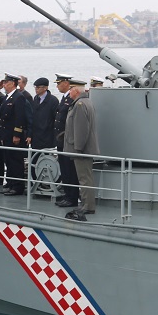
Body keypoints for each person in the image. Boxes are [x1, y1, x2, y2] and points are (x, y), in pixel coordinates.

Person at [64, 78, 100, 220]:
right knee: (86, 177)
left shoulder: (79, 105)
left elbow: (81, 129)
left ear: (76, 90)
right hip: (84, 149)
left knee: (84, 178)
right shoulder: (86, 102)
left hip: (82, 150)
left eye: (70, 90)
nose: (69, 93)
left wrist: (77, 148)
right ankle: (86, 203)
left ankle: (88, 206)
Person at [0, 72, 32, 195]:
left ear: (12, 83)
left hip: (14, 136)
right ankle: (11, 183)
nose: (4, 85)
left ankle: (17, 187)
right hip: (6, 135)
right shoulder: (8, 97)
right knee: (9, 160)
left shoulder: (19, 97)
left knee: (16, 161)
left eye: (6, 83)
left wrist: (17, 135)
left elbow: (20, 117)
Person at [53, 73, 79, 208]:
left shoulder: (71, 99)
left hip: (67, 140)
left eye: (58, 83)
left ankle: (72, 197)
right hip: (60, 140)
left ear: (66, 83)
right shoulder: (64, 98)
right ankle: (67, 194)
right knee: (64, 168)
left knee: (70, 170)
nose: (57, 86)